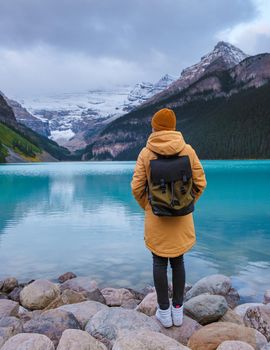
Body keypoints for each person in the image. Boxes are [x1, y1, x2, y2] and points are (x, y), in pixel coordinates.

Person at [131, 108, 207, 328]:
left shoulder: (146, 153)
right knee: (178, 261)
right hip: (182, 218)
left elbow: (136, 188)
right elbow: (201, 183)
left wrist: (148, 205)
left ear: (154, 127)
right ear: (173, 127)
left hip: (156, 217)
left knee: (159, 261)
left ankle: (163, 312)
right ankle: (178, 310)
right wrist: (186, 203)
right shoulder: (188, 150)